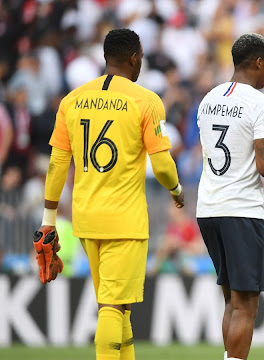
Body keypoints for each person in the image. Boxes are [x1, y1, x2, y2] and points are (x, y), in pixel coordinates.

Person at [34, 28, 184, 360]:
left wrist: (48, 220)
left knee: (118, 305)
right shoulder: (146, 100)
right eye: (141, 57)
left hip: (86, 219)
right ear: (134, 58)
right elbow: (161, 165)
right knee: (113, 307)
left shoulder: (71, 100)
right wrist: (176, 189)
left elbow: (58, 162)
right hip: (124, 221)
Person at [195, 33, 264, 360]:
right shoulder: (259, 103)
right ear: (257, 62)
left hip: (208, 207)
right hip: (241, 210)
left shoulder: (208, 98)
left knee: (231, 302)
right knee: (246, 306)